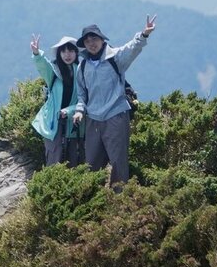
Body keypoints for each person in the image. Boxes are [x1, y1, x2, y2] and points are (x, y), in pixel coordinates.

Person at [72, 15, 157, 186]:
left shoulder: (115, 58)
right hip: (93, 119)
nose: (91, 43)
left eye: (94, 39)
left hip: (115, 115)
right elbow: (82, 93)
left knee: (118, 161)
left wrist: (144, 34)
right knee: (92, 163)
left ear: (102, 39)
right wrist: (80, 110)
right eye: (87, 41)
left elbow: (131, 48)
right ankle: (92, 197)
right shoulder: (82, 66)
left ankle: (119, 197)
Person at [29, 34, 84, 166]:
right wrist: (37, 54)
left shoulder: (82, 72)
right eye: (63, 51)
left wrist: (69, 111)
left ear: (76, 53)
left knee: (73, 158)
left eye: (70, 51)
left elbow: (84, 98)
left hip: (74, 120)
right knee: (54, 156)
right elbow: (43, 66)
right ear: (59, 54)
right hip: (53, 121)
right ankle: (52, 179)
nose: (67, 55)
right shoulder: (54, 71)